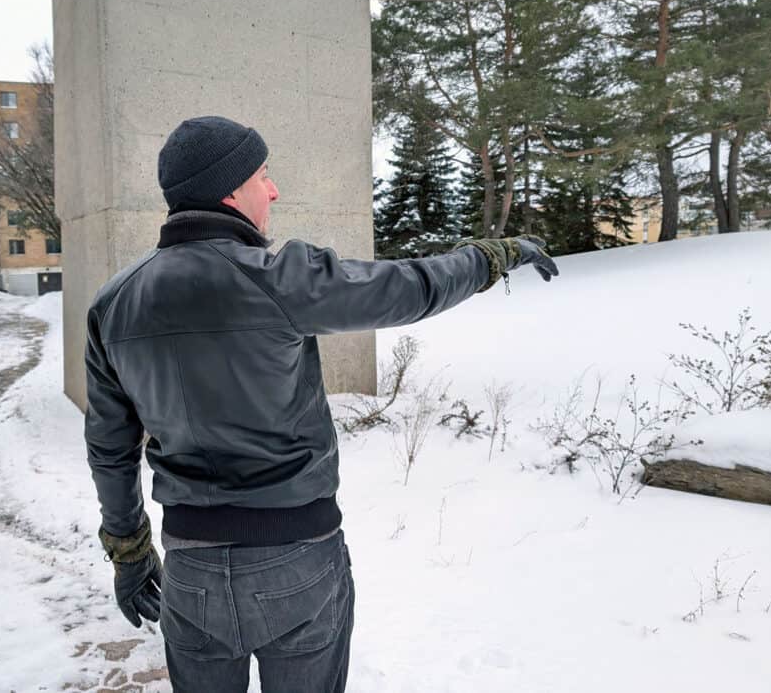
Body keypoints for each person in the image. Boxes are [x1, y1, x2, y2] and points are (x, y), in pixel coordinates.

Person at [84, 115, 558, 693]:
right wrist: (495, 255)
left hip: (191, 571)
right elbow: (411, 286)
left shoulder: (114, 303)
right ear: (228, 190)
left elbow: (109, 448)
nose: (274, 190)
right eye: (263, 175)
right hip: (296, 562)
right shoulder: (277, 278)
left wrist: (129, 551)